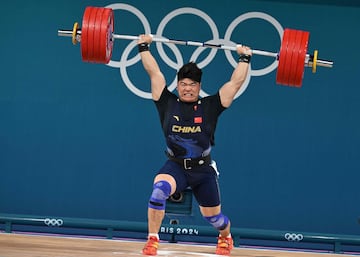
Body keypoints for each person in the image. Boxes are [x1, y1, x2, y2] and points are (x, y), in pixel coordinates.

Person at [137, 34, 252, 256]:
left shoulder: (211, 106)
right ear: (177, 85)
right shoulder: (166, 101)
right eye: (183, 84)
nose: (187, 88)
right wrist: (143, 46)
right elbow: (154, 72)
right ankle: (152, 240)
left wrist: (244, 59)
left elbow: (235, 83)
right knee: (158, 192)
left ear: (199, 86)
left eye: (192, 85)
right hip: (176, 166)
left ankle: (226, 237)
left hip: (202, 170)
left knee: (215, 218)